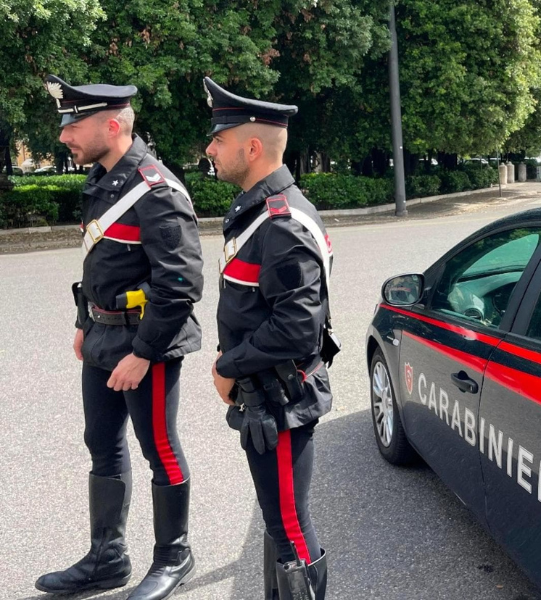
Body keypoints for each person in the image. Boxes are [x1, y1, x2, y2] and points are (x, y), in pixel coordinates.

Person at [35, 75, 204, 600]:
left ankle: (174, 557)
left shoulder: (156, 189)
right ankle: (107, 558)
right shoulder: (104, 181)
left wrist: (143, 353)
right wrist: (86, 325)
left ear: (113, 125)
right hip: (104, 340)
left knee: (160, 450)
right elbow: (100, 266)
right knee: (102, 446)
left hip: (146, 345)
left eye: (74, 123)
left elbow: (180, 284)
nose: (65, 135)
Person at [205, 77, 336, 600]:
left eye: (218, 139)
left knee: (290, 530)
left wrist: (227, 366)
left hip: (278, 403)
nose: (210, 149)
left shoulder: (281, 222)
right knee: (279, 519)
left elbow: (298, 327)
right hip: (265, 396)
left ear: (251, 147)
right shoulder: (262, 209)